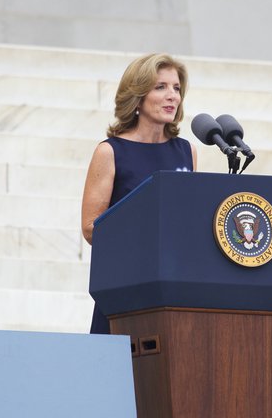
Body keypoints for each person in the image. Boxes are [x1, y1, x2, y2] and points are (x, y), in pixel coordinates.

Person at [81, 53, 197, 334]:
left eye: (176, 88)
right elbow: (91, 228)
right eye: (161, 87)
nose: (172, 96)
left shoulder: (186, 151)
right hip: (126, 285)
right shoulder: (110, 151)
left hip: (173, 286)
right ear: (137, 95)